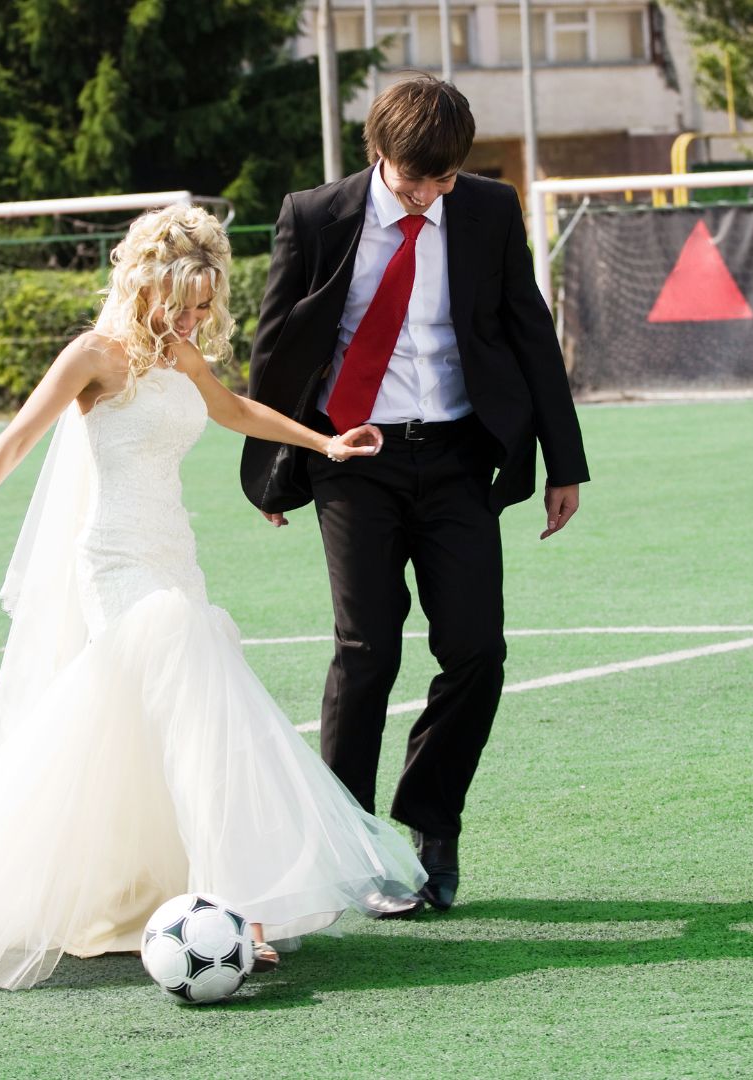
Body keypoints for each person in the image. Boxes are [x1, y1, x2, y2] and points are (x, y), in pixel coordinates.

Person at [0, 205, 426, 995]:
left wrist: (324, 441)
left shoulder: (181, 354)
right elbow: (16, 438)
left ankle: (167, 895)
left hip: (174, 553)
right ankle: (236, 908)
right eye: (180, 302)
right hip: (116, 562)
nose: (191, 318)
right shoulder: (95, 356)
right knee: (199, 707)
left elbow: (232, 410)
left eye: (202, 306)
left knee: (172, 724)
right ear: (143, 281)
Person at [241, 75, 589, 917]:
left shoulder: (487, 210)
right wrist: (270, 467)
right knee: (369, 651)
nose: (431, 195)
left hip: (462, 453)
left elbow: (528, 330)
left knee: (476, 652)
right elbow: (277, 345)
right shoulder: (315, 215)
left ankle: (432, 823)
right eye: (415, 180)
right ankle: (352, 840)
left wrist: (564, 461)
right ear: (378, 153)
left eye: (444, 179)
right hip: (353, 455)